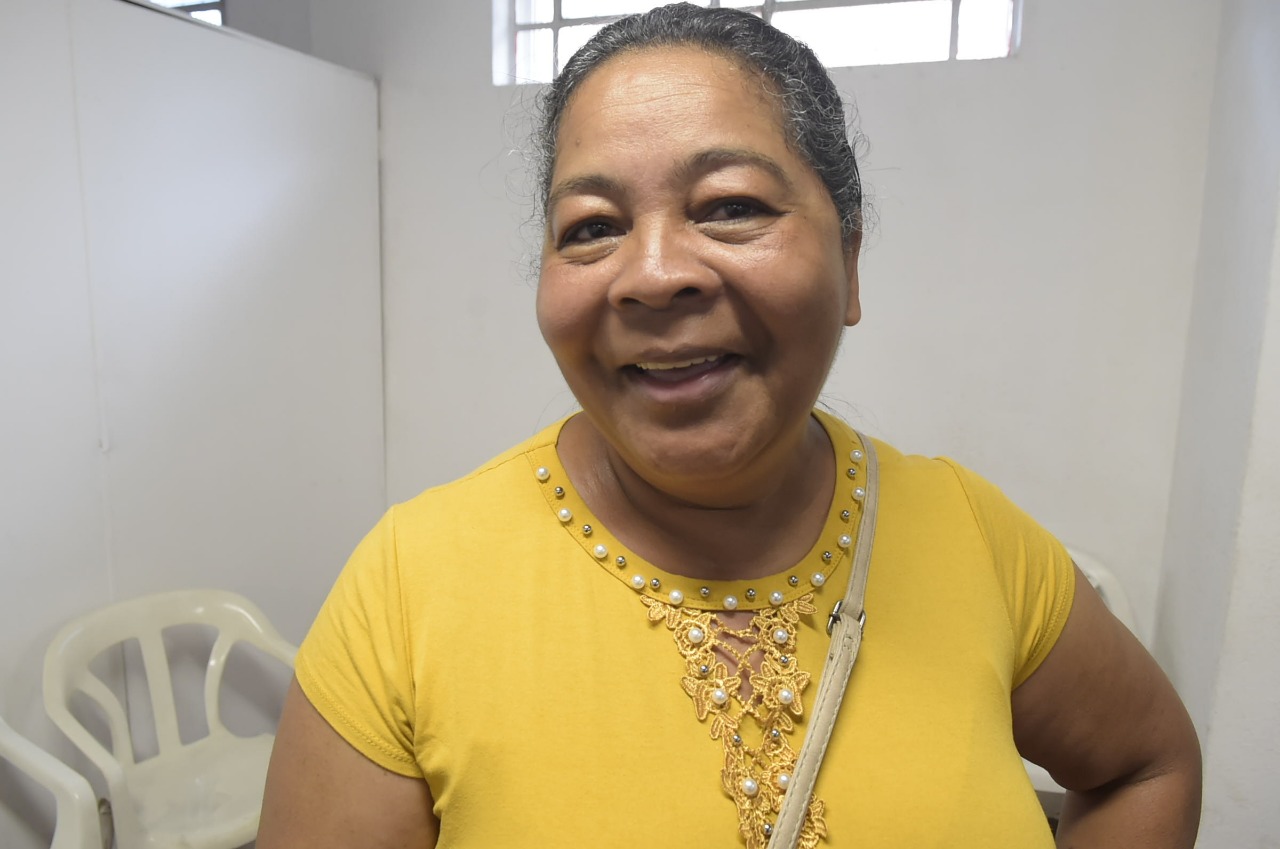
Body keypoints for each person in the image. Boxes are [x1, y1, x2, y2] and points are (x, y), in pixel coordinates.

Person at [257, 5, 1202, 847]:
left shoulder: (975, 535)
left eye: (731, 207)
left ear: (850, 261)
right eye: (591, 226)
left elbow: (1148, 766)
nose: (652, 274)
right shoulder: (407, 591)